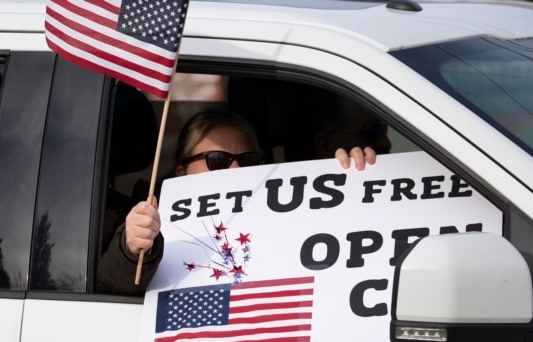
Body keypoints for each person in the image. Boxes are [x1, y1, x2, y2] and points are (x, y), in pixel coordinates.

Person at [97, 107, 377, 295]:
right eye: (217, 161)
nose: (235, 171)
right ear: (181, 172)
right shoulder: (148, 217)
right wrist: (133, 246)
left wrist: (355, 182)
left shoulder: (285, 212)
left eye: (248, 160)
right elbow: (115, 283)